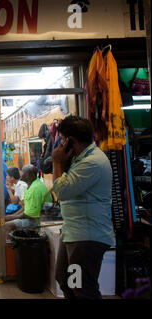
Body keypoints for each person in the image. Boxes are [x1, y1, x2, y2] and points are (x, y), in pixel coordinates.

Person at [52, 116, 114, 299]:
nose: (61, 144)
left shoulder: (93, 162)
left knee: (82, 287)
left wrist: (57, 161)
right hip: (73, 232)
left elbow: (62, 191)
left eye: (63, 139)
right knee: (65, 279)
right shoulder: (80, 159)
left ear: (71, 140)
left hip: (86, 236)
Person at [3, 165, 52, 240]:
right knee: (6, 221)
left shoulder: (35, 189)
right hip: (33, 217)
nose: (20, 174)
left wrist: (9, 217)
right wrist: (10, 217)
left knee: (6, 226)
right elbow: (24, 207)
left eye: (22, 172)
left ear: (28, 175)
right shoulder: (30, 186)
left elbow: (30, 215)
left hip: (38, 221)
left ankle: (11, 250)